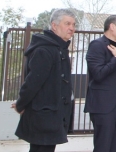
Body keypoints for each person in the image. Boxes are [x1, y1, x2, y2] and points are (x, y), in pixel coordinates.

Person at [13, 8, 77, 152]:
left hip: (50, 116)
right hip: (43, 116)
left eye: (73, 24)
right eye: (67, 24)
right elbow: (32, 82)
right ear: (54, 26)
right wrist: (21, 104)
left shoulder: (59, 48)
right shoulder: (45, 50)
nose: (72, 28)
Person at [84, 15, 116, 152]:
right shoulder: (97, 45)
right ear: (112, 27)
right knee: (103, 147)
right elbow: (98, 74)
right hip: (104, 107)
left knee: (114, 148)